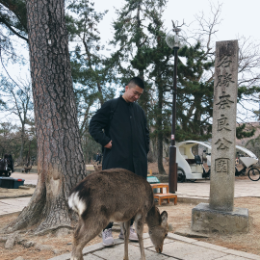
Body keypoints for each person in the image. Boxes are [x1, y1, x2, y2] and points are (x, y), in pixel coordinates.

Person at [89, 77, 149, 246]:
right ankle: (106, 230)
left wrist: (145, 150)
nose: (136, 96)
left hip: (137, 163)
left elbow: (146, 134)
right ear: (126, 88)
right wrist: (105, 141)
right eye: (134, 92)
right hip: (115, 160)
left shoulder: (139, 112)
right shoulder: (111, 106)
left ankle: (126, 229)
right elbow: (93, 125)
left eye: (139, 94)